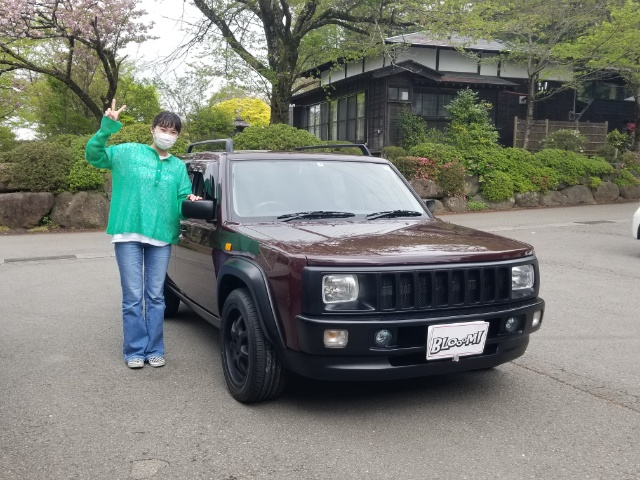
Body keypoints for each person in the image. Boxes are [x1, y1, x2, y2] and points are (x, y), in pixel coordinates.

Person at [85, 100, 201, 369]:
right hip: (128, 235)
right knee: (133, 296)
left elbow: (182, 198)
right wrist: (106, 127)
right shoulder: (128, 153)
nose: (167, 135)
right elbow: (94, 155)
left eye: (173, 132)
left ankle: (155, 349)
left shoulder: (177, 167)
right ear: (152, 129)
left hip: (161, 238)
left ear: (178, 136)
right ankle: (135, 350)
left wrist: (190, 199)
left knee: (156, 297)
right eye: (163, 129)